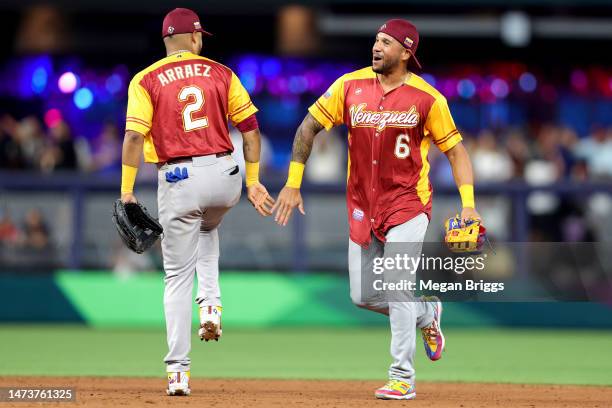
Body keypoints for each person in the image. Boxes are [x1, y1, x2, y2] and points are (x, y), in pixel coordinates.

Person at [273, 19, 482, 400]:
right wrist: (293, 181)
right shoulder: (348, 86)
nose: (376, 46)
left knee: (398, 286)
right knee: (363, 296)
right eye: (375, 40)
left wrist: (468, 205)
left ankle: (402, 376)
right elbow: (307, 128)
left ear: (406, 52)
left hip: (407, 204)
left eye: (386, 42)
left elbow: (456, 151)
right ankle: (427, 314)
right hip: (363, 206)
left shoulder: (428, 98)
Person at [120, 8, 274, 396]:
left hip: (179, 179)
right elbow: (251, 131)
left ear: (166, 41)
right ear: (195, 38)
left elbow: (134, 139)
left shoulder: (145, 80)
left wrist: (126, 191)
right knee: (207, 226)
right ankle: (211, 305)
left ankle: (177, 372)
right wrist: (253, 181)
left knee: (176, 276)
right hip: (226, 176)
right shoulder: (222, 72)